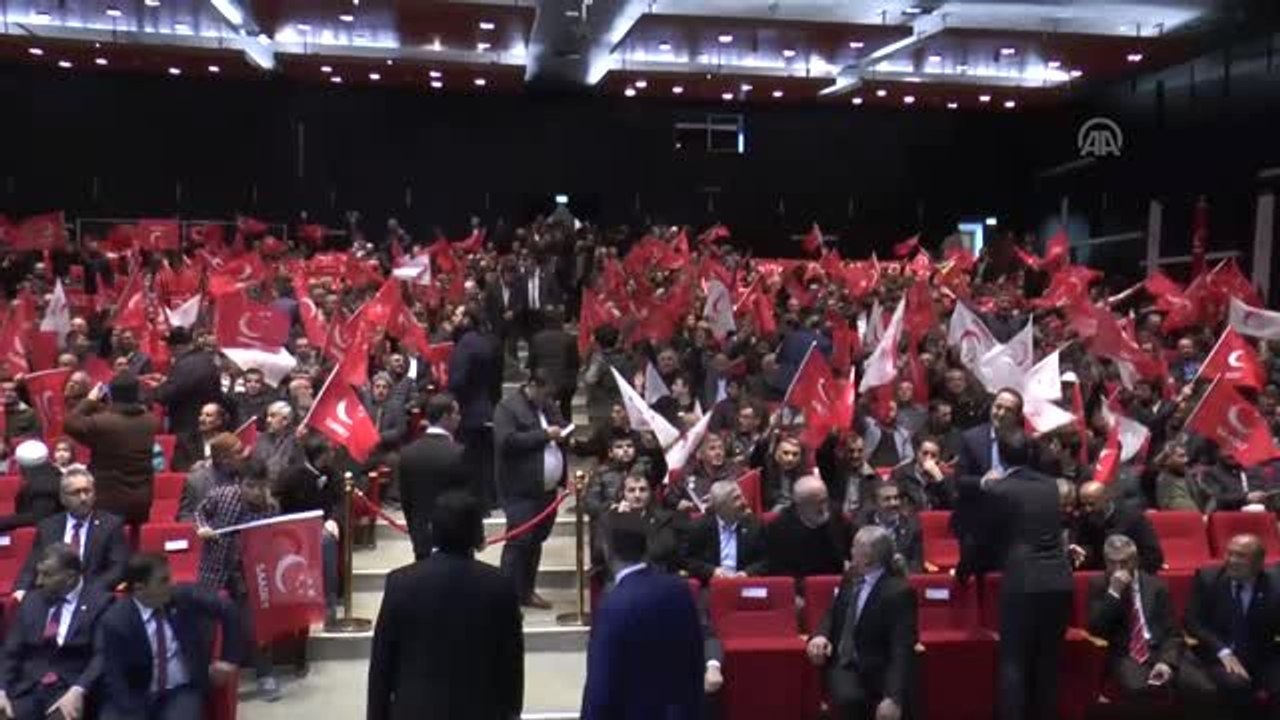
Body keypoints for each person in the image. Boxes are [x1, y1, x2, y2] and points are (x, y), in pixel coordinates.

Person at [367, 491, 523, 720]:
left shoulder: (400, 583)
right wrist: (512, 712)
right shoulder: (500, 585)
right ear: (478, 535)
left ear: (432, 532)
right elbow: (512, 663)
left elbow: (382, 665)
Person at [961, 429, 1073, 720]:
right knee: (1049, 662)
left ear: (1000, 456)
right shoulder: (1051, 486)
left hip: (1023, 582)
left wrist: (964, 570)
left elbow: (981, 539)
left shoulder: (998, 490)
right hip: (1059, 580)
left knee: (1014, 662)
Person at [581, 511, 703, 720]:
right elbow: (695, 660)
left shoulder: (612, 605)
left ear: (607, 549)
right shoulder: (678, 589)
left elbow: (600, 685)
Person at [93, 553, 242, 720]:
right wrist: (132, 713)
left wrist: (229, 659)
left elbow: (227, 608)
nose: (172, 584)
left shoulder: (182, 596)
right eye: (163, 581)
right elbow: (115, 677)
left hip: (182, 690)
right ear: (140, 588)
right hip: (137, 693)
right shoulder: (115, 621)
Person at [805, 525, 918, 720]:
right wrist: (820, 635)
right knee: (848, 699)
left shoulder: (898, 593)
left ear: (867, 557)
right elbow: (834, 612)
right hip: (846, 663)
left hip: (878, 670)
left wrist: (893, 697)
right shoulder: (851, 576)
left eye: (854, 547)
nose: (850, 551)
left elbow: (901, 648)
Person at [193, 461, 280, 700]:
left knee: (256, 625)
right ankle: (201, 677)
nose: (255, 492)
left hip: (248, 572)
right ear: (240, 483)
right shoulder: (221, 495)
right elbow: (199, 512)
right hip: (214, 568)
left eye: (260, 486)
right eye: (250, 486)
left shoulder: (271, 508)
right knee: (206, 625)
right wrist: (202, 527)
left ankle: (265, 674)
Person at [0, 543, 114, 720]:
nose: (38, 581)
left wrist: (79, 689)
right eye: (39, 573)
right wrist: (1, 690)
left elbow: (102, 655)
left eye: (47, 575)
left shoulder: (101, 603)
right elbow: (11, 651)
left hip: (71, 688)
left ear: (70, 577)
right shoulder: (31, 600)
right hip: (28, 688)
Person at [1182, 533, 1280, 719]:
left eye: (1241, 556)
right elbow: (1192, 621)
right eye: (1229, 553)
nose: (1232, 560)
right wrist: (1222, 650)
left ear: (1259, 563)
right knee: (1237, 685)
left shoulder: (1275, 584)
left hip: (1262, 656)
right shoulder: (1208, 578)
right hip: (1220, 656)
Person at [493, 370, 569, 609]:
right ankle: (505, 598)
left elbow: (563, 424)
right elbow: (506, 441)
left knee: (536, 540)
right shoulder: (508, 408)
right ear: (533, 386)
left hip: (546, 490)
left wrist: (564, 432)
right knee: (519, 541)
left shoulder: (547, 405)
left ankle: (526, 591)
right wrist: (544, 435)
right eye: (545, 394)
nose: (548, 399)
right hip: (520, 488)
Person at [1085, 534, 1187, 709]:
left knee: (1200, 685)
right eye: (1112, 562)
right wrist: (1114, 593)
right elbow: (1096, 628)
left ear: (1136, 560)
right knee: (1140, 687)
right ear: (1105, 561)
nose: (1118, 569)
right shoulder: (1099, 584)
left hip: (1160, 649)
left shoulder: (1157, 585)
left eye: (1124, 562)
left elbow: (1173, 632)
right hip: (1125, 653)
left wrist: (1166, 661)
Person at [12, 467, 129, 602]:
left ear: (95, 494)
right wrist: (21, 589)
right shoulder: (48, 526)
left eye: (87, 491)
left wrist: (91, 590)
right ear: (63, 498)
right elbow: (34, 563)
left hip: (93, 597)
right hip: (54, 594)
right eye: (76, 493)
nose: (83, 498)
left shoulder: (110, 525)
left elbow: (118, 567)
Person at [63, 372, 158, 525]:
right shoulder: (150, 421)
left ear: (111, 394)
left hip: (108, 502)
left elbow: (69, 423)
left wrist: (90, 400)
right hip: (141, 501)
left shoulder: (102, 424)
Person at [953, 387, 1026, 581]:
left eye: (1008, 410)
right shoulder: (971, 438)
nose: (1000, 413)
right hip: (976, 523)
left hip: (1011, 523)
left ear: (1017, 416)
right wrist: (982, 482)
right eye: (997, 407)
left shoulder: (1025, 442)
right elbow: (959, 481)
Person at [396, 393, 467, 560]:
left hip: (422, 538)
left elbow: (406, 501)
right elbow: (467, 500)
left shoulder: (407, 454)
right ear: (445, 416)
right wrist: (476, 537)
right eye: (456, 413)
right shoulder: (461, 453)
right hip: (456, 541)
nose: (459, 418)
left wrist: (415, 533)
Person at [448, 305, 501, 512]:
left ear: (467, 320)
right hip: (487, 405)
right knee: (485, 459)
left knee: (471, 459)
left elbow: (458, 381)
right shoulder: (487, 342)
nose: (453, 318)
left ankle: (476, 504)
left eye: (457, 315)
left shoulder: (465, 344)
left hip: (469, 409)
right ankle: (489, 500)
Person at [765, 474, 852, 580]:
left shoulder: (836, 516)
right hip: (800, 585)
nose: (823, 508)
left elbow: (851, 549)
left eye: (825, 500)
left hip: (837, 582)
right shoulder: (780, 529)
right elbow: (779, 572)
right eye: (816, 503)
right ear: (799, 506)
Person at [682, 480, 768, 582]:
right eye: (736, 498)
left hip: (745, 584)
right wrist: (712, 571)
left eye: (742, 496)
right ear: (721, 506)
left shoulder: (754, 525)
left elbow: (765, 561)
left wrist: (746, 573)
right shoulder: (699, 527)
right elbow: (687, 560)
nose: (744, 502)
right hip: (711, 585)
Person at [1075, 481, 1165, 575]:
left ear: (1106, 498)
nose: (1087, 509)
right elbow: (1086, 549)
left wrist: (1128, 570)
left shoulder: (1133, 519)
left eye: (1091, 504)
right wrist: (1083, 553)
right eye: (1083, 505)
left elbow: (1153, 556)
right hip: (1100, 575)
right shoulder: (1084, 519)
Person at [152, 327, 222, 438]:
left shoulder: (186, 365)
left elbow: (167, 394)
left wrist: (157, 389)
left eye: (171, 349)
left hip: (188, 428)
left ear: (178, 347)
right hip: (205, 423)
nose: (171, 352)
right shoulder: (205, 359)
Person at [853, 481, 923, 573]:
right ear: (875, 503)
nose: (893, 503)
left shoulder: (912, 526)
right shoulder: (862, 526)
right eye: (887, 499)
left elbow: (916, 563)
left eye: (896, 498)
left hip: (901, 576)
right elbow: (856, 561)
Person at [527, 306, 579, 421]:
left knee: (542, 412)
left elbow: (531, 363)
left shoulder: (536, 338)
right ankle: (566, 429)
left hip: (542, 383)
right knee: (566, 409)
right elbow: (575, 364)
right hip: (564, 383)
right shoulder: (569, 339)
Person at [177, 433, 244, 521]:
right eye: (239, 452)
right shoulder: (195, 481)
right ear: (223, 459)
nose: (243, 455)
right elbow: (185, 516)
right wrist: (201, 526)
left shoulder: (246, 478)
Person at [0, 440, 62, 532]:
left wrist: (3, 521)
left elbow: (38, 517)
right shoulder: (52, 473)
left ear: (22, 466)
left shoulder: (43, 486)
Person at [889, 436, 957, 511]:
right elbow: (892, 503)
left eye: (933, 455)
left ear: (939, 459)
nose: (928, 458)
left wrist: (939, 479)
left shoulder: (946, 478)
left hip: (935, 516)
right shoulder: (900, 473)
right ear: (917, 453)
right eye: (925, 453)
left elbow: (954, 507)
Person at [250, 401, 304, 482]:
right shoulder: (262, 439)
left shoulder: (296, 441)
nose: (268, 420)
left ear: (285, 420)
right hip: (263, 485)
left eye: (273, 416)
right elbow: (256, 469)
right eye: (267, 416)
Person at [171, 402, 228, 472]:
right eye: (201, 415)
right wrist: (192, 467)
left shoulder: (228, 440)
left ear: (219, 421)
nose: (202, 419)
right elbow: (176, 464)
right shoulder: (186, 440)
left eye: (208, 415)